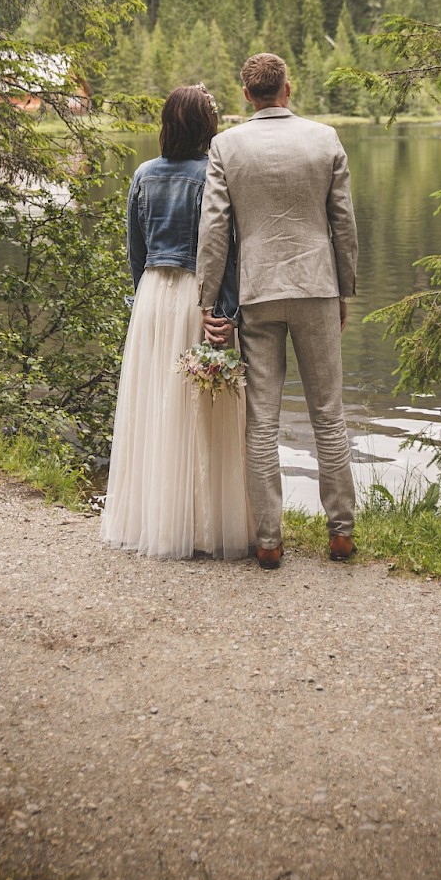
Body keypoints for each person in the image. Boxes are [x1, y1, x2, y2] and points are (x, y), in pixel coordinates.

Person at [197, 52, 359, 570]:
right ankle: (341, 534)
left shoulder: (226, 146)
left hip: (258, 292)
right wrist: (345, 289)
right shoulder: (324, 138)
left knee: (262, 421)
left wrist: (208, 300)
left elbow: (214, 228)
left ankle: (269, 540)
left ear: (247, 94)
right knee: (328, 414)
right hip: (316, 286)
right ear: (287, 88)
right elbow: (344, 223)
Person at [100, 84, 253, 560]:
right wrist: (228, 313)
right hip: (196, 296)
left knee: (154, 406)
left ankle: (151, 520)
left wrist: (145, 295)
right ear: (206, 126)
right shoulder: (214, 175)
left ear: (168, 125)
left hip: (152, 296)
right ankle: (203, 527)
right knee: (199, 411)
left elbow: (135, 251)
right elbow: (224, 253)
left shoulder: (144, 175)